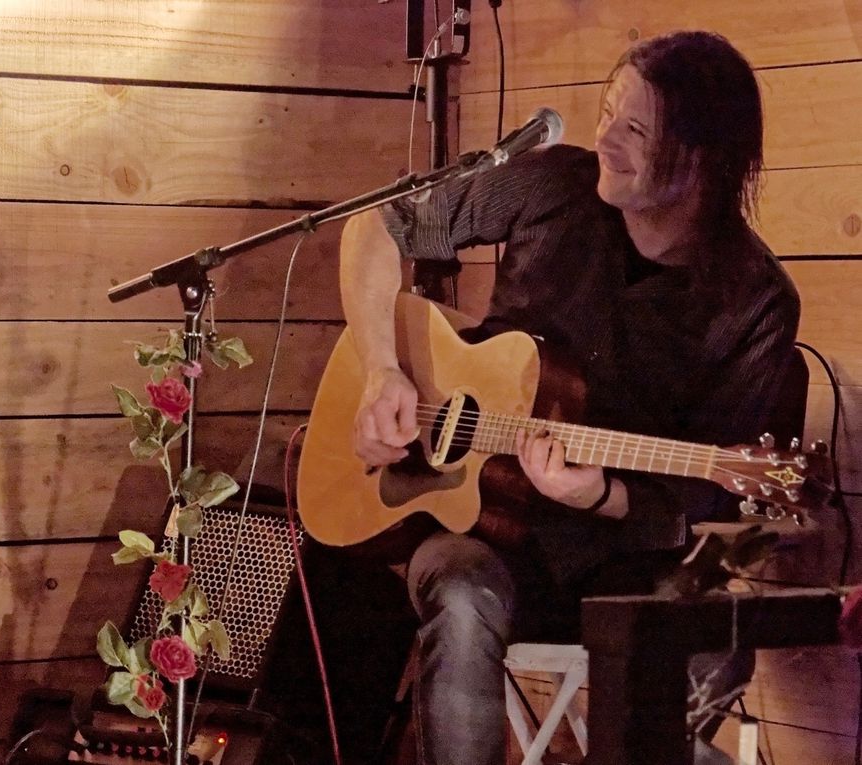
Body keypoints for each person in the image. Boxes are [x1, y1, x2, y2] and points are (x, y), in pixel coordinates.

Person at [337, 30, 800, 765]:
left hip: (625, 565)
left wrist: (598, 495)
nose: (605, 138)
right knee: (460, 596)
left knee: (717, 644)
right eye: (609, 112)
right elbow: (380, 223)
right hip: (479, 532)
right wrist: (381, 370)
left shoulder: (755, 303)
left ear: (704, 159)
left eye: (637, 130)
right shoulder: (551, 183)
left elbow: (704, 502)